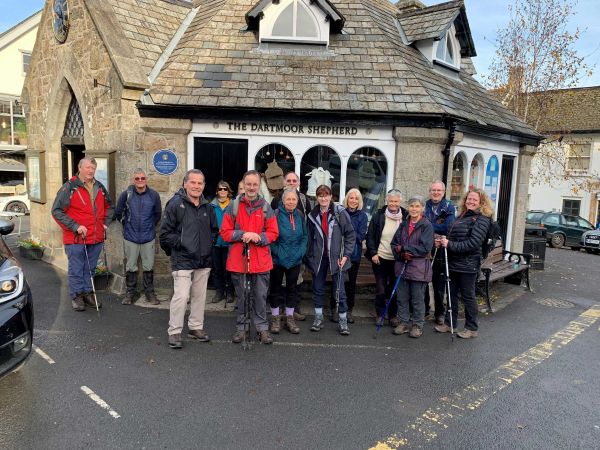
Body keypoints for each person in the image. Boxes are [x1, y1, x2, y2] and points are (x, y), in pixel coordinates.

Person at [159, 169, 218, 349]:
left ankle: (195, 327)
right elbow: (164, 234)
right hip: (183, 258)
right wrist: (183, 244)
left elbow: (214, 231)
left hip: (203, 259)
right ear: (185, 183)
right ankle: (175, 331)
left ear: (204, 185)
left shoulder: (208, 207)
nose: (196, 186)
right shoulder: (175, 204)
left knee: (199, 296)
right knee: (182, 296)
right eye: (193, 182)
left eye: (200, 183)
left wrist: (208, 245)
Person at [221, 170, 279, 345]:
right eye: (248, 184)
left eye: (255, 184)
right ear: (244, 185)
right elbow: (225, 233)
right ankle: (242, 327)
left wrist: (258, 237)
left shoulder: (266, 207)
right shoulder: (234, 206)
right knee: (243, 297)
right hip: (239, 261)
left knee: (261, 296)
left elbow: (273, 233)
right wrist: (243, 234)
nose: (252, 187)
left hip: (261, 261)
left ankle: (262, 328)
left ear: (259, 185)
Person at [51, 157, 114, 311]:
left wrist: (105, 222)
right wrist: (74, 226)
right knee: (77, 269)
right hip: (76, 237)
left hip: (95, 236)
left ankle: (88, 293)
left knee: (90, 269)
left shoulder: (99, 187)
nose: (91, 170)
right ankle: (77, 296)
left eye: (93, 168)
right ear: (80, 168)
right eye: (87, 167)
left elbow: (110, 206)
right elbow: (57, 211)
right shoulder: (69, 187)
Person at [435, 188, 493, 339]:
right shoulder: (462, 216)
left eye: (474, 200)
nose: (471, 201)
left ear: (481, 203)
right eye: (469, 199)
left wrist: (450, 245)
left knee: (468, 296)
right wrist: (442, 241)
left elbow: (473, 243)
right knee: (451, 294)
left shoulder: (482, 219)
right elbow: (452, 236)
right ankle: (450, 324)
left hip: (468, 265)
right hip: (454, 262)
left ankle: (471, 328)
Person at [305, 184, 355, 335]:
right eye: (320, 195)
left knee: (339, 292)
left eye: (326, 195)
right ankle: (318, 318)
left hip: (337, 258)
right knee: (318, 289)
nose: (323, 198)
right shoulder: (312, 215)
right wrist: (309, 257)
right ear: (316, 197)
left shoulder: (340, 213)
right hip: (319, 258)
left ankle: (343, 321)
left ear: (331, 196)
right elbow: (308, 239)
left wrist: (346, 255)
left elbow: (350, 236)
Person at [114, 168, 162, 305]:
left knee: (148, 266)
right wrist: (126, 224)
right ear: (133, 180)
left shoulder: (153, 195)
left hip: (148, 236)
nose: (140, 181)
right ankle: (130, 292)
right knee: (131, 266)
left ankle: (149, 292)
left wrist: (150, 226)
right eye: (137, 178)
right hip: (131, 236)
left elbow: (157, 213)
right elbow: (118, 212)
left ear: (146, 179)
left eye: (142, 178)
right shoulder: (126, 195)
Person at [270, 170, 312, 321]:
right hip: (280, 255)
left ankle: (292, 312)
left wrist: (300, 252)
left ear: (299, 183)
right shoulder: (276, 202)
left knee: (294, 284)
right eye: (289, 180)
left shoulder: (304, 201)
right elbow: (271, 233)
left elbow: (305, 231)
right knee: (278, 285)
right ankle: (278, 312)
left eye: (295, 181)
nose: (292, 183)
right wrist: (278, 252)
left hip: (296, 254)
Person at [391, 195, 434, 338]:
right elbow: (394, 245)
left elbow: (425, 248)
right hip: (402, 266)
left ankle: (417, 325)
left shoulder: (426, 225)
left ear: (422, 208)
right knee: (401, 297)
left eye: (417, 206)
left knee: (417, 299)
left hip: (418, 269)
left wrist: (405, 248)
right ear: (408, 208)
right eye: (411, 206)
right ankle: (403, 322)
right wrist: (401, 254)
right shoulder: (403, 224)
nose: (414, 209)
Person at [366, 189, 407, 327]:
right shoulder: (379, 215)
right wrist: (373, 253)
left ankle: (393, 315)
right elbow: (370, 235)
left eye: (396, 201)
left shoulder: (406, 216)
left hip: (397, 259)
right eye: (391, 201)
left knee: (394, 288)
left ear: (400, 202)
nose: (393, 204)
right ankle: (379, 313)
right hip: (381, 257)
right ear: (387, 201)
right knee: (381, 288)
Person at [329, 188, 368, 323]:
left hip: (353, 254)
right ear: (347, 199)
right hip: (338, 253)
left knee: (350, 284)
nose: (353, 201)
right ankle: (335, 308)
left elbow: (360, 235)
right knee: (337, 282)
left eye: (356, 198)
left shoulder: (363, 216)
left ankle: (348, 310)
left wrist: (347, 234)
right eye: (351, 198)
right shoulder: (340, 213)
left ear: (359, 201)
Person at [424, 181, 456, 324]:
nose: (436, 192)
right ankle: (424, 310)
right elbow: (419, 226)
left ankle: (439, 313)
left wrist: (429, 226)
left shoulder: (449, 207)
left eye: (439, 190)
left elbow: (448, 228)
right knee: (423, 280)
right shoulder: (424, 206)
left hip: (441, 250)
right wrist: (436, 228)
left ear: (443, 192)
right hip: (425, 248)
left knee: (438, 284)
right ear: (430, 191)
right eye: (433, 190)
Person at [209, 181, 235, 303]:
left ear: (228, 191)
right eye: (220, 189)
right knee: (217, 269)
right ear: (217, 191)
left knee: (228, 269)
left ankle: (230, 292)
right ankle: (219, 292)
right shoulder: (211, 206)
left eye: (225, 189)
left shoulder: (234, 205)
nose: (223, 191)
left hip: (229, 243)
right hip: (216, 242)